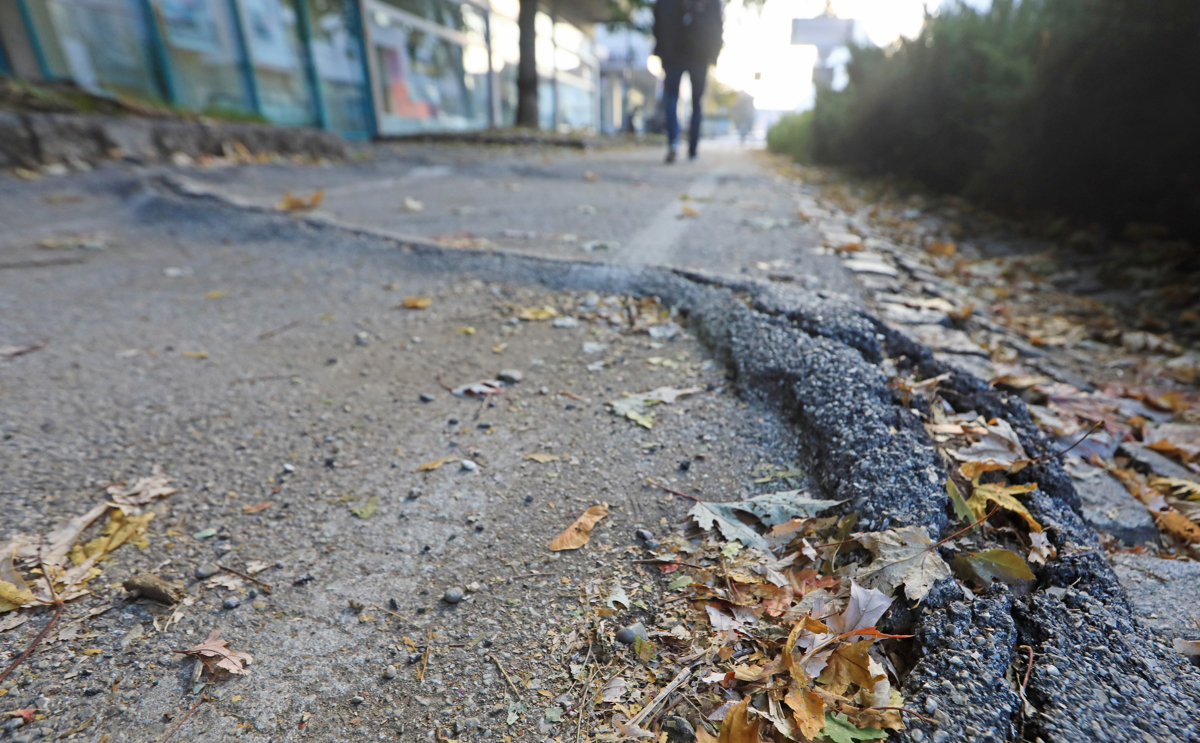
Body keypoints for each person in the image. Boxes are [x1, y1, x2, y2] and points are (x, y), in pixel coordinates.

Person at [653, 0, 724, 163]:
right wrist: (714, 54)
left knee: (672, 98)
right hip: (698, 54)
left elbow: (658, 20)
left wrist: (660, 49)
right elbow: (717, 24)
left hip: (674, 52)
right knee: (696, 103)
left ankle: (674, 143)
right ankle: (692, 150)